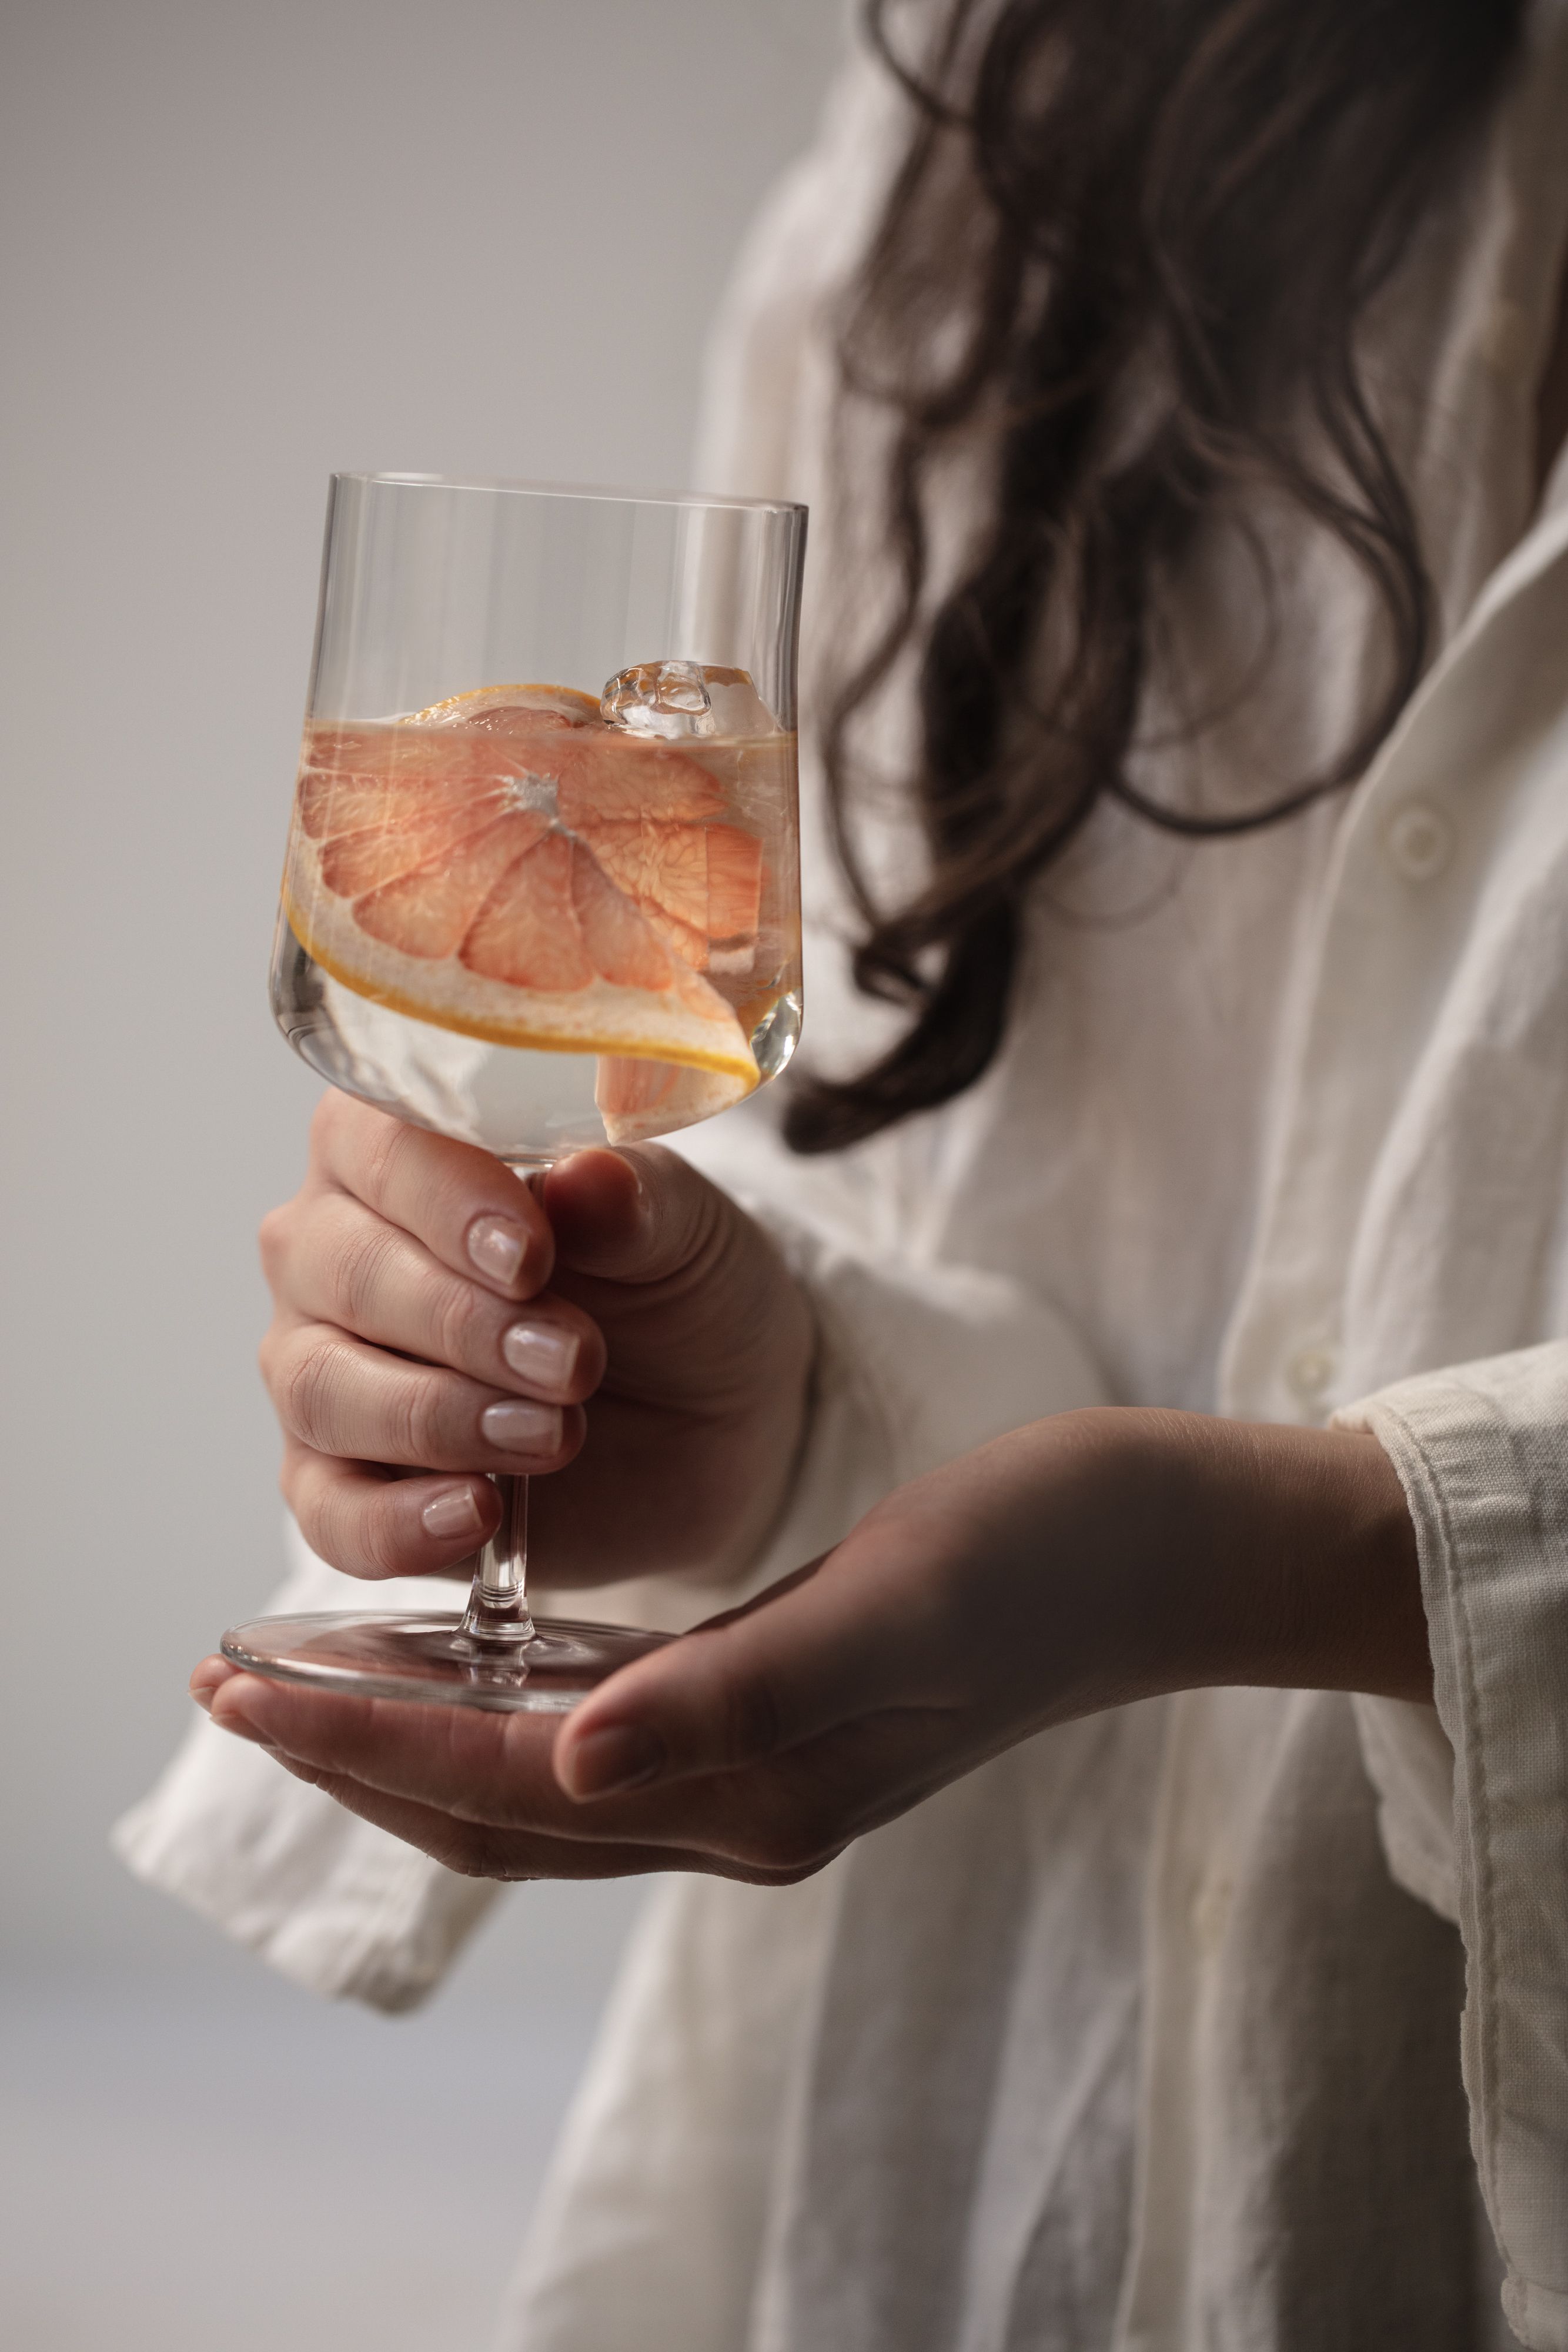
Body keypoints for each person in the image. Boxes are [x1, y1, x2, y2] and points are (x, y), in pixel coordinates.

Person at [119, 1, 1568, 2343]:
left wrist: (1297, 1552)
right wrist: (775, 1404)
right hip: (981, 2141)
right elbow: (933, 1177)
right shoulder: (982, 152)